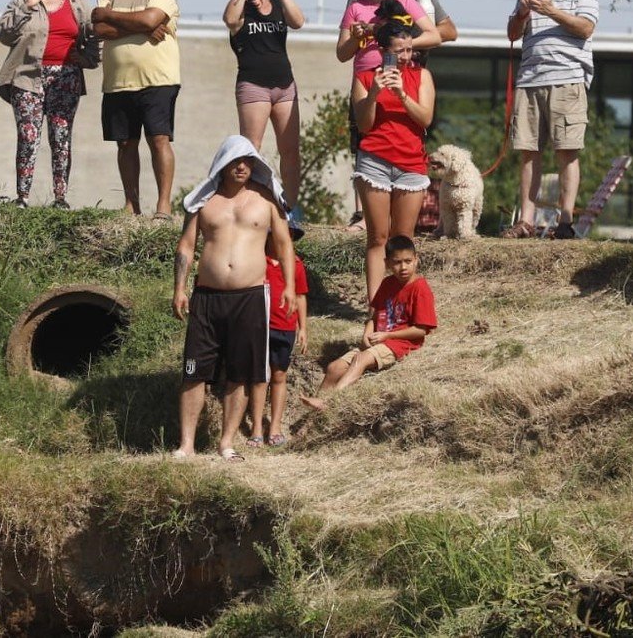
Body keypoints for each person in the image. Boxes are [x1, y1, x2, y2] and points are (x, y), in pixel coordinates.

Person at [172, 136, 296, 461]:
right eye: (235, 161)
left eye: (247, 161)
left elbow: (284, 245)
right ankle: (186, 444)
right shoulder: (205, 201)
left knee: (240, 372)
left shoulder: (266, 200)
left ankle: (226, 442)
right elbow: (186, 246)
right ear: (223, 163)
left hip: (250, 297)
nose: (241, 166)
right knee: (193, 371)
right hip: (207, 297)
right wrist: (179, 288)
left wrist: (289, 287)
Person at [501, 0, 599, 240]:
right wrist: (521, 13)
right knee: (528, 151)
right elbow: (512, 34)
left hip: (567, 76)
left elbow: (586, 27)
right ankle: (526, 221)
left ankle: (566, 221)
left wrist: (551, 11)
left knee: (566, 150)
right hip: (530, 78)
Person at [336, 0, 440, 229]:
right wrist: (360, 36)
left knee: (404, 133)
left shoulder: (406, 2)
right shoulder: (357, 7)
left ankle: (399, 209)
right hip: (367, 78)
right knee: (364, 138)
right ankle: (362, 213)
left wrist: (399, 44)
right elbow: (342, 53)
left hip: (403, 77)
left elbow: (435, 35)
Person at [0, 0, 97, 207]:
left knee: (61, 137)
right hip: (28, 78)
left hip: (66, 76)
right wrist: (27, 8)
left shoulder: (77, 1)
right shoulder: (22, 0)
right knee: (29, 136)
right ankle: (22, 197)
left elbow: (94, 35)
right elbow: (3, 34)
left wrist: (87, 60)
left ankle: (60, 198)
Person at [93, 0, 180, 218]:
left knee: (159, 140)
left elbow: (147, 19)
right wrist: (141, 27)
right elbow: (99, 28)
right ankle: (132, 205)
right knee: (126, 143)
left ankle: (163, 206)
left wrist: (113, 16)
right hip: (118, 82)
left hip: (158, 80)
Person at [299, 235, 436, 411]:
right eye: (397, 262)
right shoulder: (387, 284)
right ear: (387, 263)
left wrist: (388, 335)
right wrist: (366, 334)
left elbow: (421, 330)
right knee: (334, 368)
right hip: (378, 340)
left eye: (408, 261)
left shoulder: (420, 288)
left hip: (399, 344)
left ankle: (329, 401)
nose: (403, 267)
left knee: (360, 359)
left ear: (416, 260)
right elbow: (374, 316)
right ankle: (312, 416)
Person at [352, 21, 436, 302]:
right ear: (383, 51)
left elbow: (425, 119)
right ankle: (375, 307)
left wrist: (401, 94)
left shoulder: (422, 76)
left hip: (410, 162)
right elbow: (364, 125)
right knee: (378, 237)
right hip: (374, 160)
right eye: (399, 51)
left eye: (410, 50)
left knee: (403, 238)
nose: (406, 57)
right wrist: (375, 93)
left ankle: (402, 303)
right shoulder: (364, 78)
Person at [225, 0, 305, 226]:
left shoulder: (278, 4)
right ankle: (250, 207)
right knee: (250, 152)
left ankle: (291, 210)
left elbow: (298, 21)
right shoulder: (240, 6)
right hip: (253, 86)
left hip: (284, 86)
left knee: (291, 151)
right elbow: (230, 20)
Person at [246, 229, 309, 448]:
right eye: (279, 234)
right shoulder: (257, 261)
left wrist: (303, 328)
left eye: (289, 236)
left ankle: (275, 427)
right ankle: (255, 428)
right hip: (260, 327)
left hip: (285, 327)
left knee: (279, 375)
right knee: (259, 377)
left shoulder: (296, 265)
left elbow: (300, 296)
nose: (283, 239)